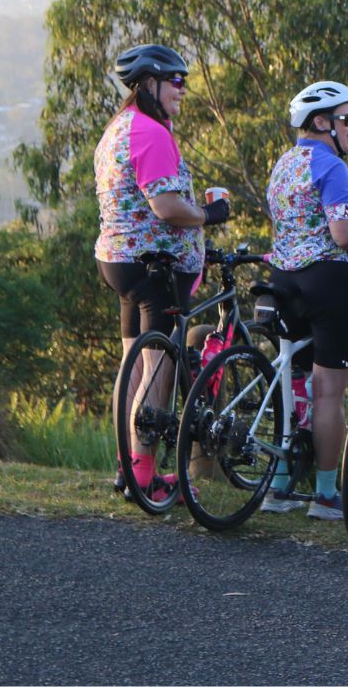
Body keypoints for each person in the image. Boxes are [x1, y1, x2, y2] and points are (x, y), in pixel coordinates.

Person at [97, 44, 231, 502]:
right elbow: (167, 206)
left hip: (122, 262)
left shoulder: (119, 127)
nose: (182, 89)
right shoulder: (150, 133)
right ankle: (145, 475)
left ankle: (127, 467)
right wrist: (211, 215)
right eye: (176, 81)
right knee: (159, 367)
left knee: (133, 364)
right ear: (149, 84)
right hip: (154, 267)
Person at [263, 80, 348, 519]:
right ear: (322, 122)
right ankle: (327, 495)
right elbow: (345, 234)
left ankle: (278, 486)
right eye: (347, 119)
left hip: (285, 280)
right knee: (329, 393)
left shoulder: (283, 165)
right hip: (330, 282)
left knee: (293, 385)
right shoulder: (331, 168)